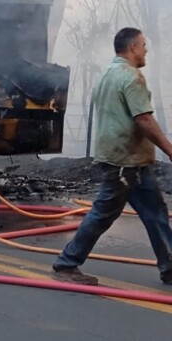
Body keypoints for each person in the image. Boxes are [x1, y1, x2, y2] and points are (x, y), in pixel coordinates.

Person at [51, 27, 172, 286]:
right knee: (103, 213)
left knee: (156, 213)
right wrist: (170, 149)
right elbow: (144, 119)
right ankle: (66, 263)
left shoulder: (106, 74)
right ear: (132, 48)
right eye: (143, 45)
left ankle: (169, 267)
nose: (146, 50)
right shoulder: (132, 77)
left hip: (130, 161)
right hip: (124, 162)